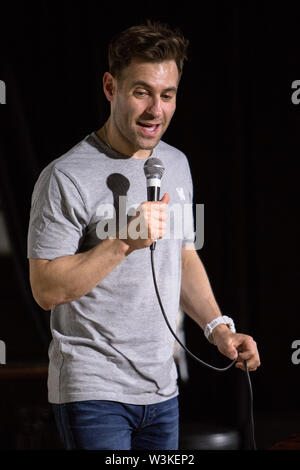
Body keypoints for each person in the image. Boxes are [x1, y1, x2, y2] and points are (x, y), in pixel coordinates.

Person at [27, 20, 260, 450]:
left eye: (167, 95)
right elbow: (45, 289)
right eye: (141, 92)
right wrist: (122, 241)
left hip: (162, 388)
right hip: (93, 390)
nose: (156, 109)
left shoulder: (176, 163)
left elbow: (183, 255)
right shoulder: (64, 176)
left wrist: (218, 328)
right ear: (110, 86)